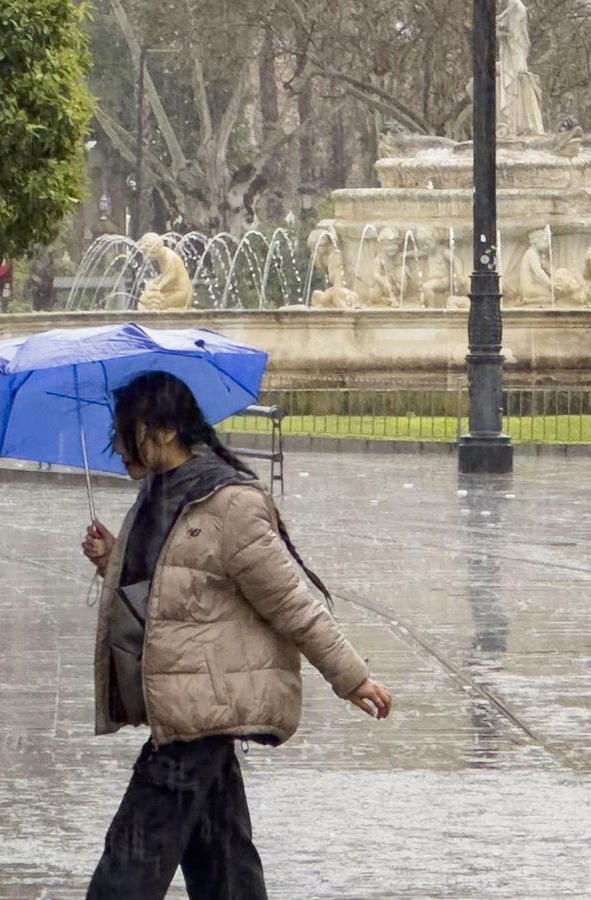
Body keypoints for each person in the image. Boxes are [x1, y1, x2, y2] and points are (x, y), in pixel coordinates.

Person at [80, 371, 393, 900]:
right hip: (186, 704)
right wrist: (113, 559)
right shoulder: (156, 497)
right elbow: (168, 592)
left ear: (163, 429)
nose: (117, 446)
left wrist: (352, 677)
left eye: (124, 431)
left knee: (131, 859)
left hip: (204, 705)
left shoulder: (227, 504)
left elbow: (291, 600)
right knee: (222, 858)